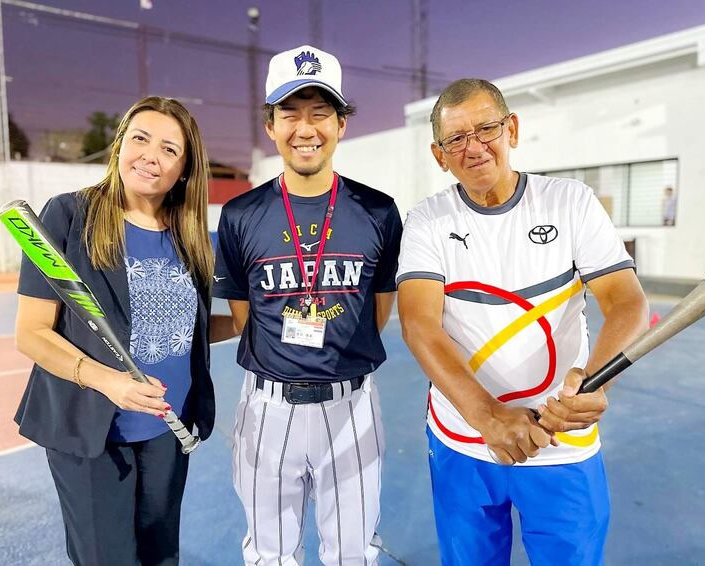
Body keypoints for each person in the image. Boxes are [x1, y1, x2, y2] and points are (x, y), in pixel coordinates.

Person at [397, 79, 648, 565]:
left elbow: (626, 301)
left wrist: (598, 378)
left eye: (486, 128)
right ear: (438, 154)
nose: (474, 147)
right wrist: (488, 417)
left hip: (561, 442)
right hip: (463, 440)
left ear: (512, 129)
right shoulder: (427, 220)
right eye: (456, 139)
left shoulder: (570, 202)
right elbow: (419, 323)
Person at [14, 96, 236, 565]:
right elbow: (32, 333)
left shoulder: (189, 235)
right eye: (140, 138)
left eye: (170, 149)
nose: (151, 156)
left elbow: (180, 327)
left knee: (160, 556)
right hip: (94, 432)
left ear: (184, 169)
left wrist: (244, 322)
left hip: (166, 431)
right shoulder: (69, 216)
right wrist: (109, 382)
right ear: (119, 146)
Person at [212, 45, 403, 565]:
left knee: (354, 554)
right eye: (289, 113)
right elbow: (246, 318)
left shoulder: (379, 211)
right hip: (267, 406)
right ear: (270, 126)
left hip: (354, 404)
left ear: (342, 124)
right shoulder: (240, 215)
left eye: (320, 113)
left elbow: (377, 311)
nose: (305, 128)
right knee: (269, 554)